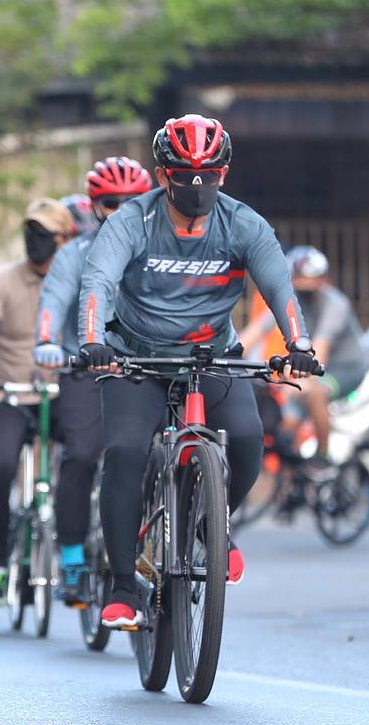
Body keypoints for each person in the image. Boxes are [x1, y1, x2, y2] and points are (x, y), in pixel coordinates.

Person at [77, 115, 320, 631]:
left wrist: (299, 343)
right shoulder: (131, 221)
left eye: (207, 176)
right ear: (162, 176)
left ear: (222, 175)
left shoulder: (244, 225)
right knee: (124, 451)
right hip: (137, 359)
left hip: (212, 356)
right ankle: (122, 587)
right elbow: (98, 280)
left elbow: (279, 285)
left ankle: (211, 524)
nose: (196, 185)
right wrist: (93, 340)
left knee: (249, 438)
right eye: (183, 176)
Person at [34, 157, 152, 606]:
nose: (122, 211)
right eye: (111, 203)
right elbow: (53, 301)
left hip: (145, 366)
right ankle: (72, 558)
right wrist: (47, 341)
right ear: (94, 206)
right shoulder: (74, 253)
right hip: (87, 367)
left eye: (132, 202)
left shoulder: (162, 248)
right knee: (81, 455)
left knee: (155, 452)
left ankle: (158, 540)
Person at [0, 198, 72, 603]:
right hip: (7, 394)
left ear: (65, 239)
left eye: (44, 233)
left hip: (60, 392)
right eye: (30, 231)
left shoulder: (79, 280)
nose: (35, 240)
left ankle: (81, 555)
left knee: (90, 455)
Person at [239, 246, 365, 462]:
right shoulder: (289, 300)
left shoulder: (335, 304)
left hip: (343, 369)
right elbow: (256, 331)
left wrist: (305, 379)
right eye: (300, 281)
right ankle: (292, 470)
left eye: (312, 281)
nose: (306, 287)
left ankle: (323, 458)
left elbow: (321, 345)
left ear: (323, 280)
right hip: (311, 365)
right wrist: (229, 355)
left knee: (314, 393)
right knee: (287, 424)